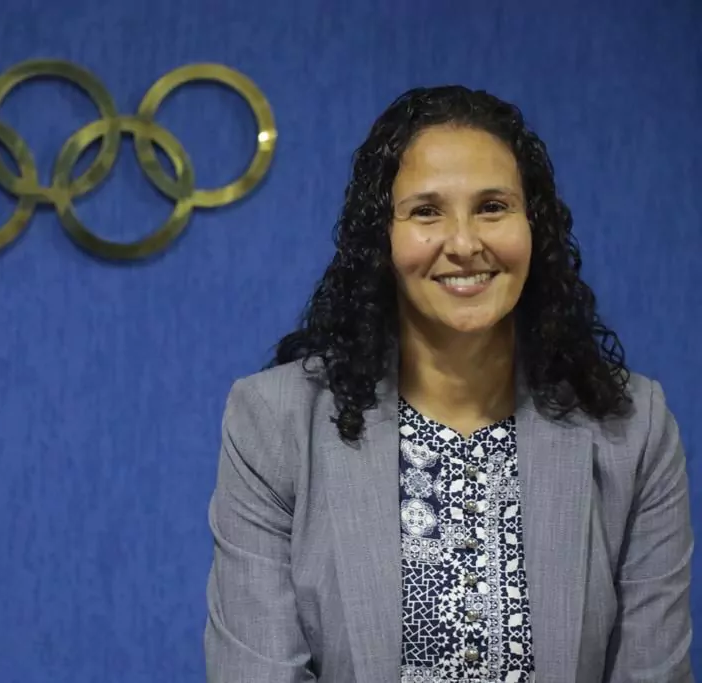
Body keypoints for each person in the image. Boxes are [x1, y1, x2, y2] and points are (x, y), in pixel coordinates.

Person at [203, 86, 693, 683]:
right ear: (382, 239)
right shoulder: (273, 422)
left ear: (534, 228)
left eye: (493, 207)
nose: (463, 244)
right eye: (426, 211)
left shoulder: (633, 426)